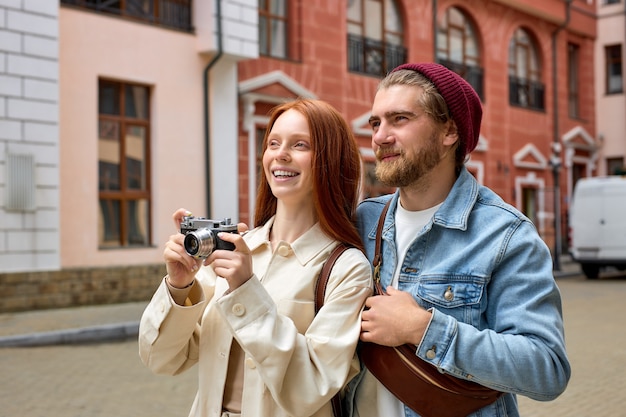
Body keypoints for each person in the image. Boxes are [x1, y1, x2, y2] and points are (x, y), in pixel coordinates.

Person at [343, 63, 571, 417]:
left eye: (399, 119)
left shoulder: (504, 235)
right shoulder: (362, 220)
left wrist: (422, 328)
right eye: (376, 122)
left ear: (449, 131)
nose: (380, 136)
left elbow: (546, 369)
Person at [139, 98, 373, 417]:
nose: (280, 154)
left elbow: (311, 388)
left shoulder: (348, 269)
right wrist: (179, 287)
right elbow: (162, 359)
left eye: (300, 144)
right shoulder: (238, 247)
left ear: (330, 160)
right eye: (273, 142)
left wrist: (246, 289)